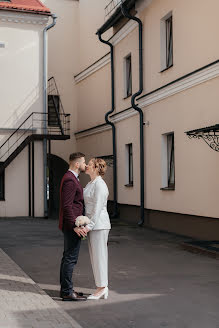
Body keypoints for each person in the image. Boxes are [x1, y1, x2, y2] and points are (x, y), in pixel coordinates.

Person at [59, 152, 87, 301]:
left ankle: (66, 289)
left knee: (68, 258)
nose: (85, 165)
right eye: (83, 162)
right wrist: (74, 226)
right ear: (77, 164)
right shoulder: (70, 180)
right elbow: (67, 206)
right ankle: (67, 292)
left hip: (71, 224)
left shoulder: (71, 178)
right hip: (71, 226)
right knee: (70, 258)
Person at [83, 158, 111, 300]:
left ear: (95, 168)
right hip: (94, 225)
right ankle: (101, 286)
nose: (87, 165)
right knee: (95, 256)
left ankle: (102, 288)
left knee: (99, 256)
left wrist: (88, 226)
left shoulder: (100, 185)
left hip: (99, 225)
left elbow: (97, 208)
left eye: (89, 164)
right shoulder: (90, 183)